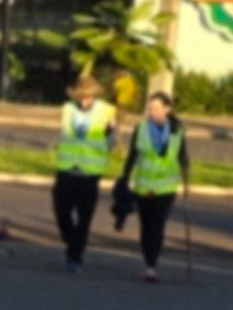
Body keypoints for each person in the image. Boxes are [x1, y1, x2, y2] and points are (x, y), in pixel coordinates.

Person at [115, 78, 190, 281]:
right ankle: (148, 259)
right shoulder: (141, 129)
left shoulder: (178, 131)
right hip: (144, 187)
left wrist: (186, 176)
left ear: (167, 109)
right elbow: (132, 155)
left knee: (157, 227)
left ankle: (151, 266)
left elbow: (183, 156)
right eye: (150, 109)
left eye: (157, 108)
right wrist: (124, 177)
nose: (153, 112)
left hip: (165, 189)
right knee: (145, 227)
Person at [51, 67, 116, 270]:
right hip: (67, 168)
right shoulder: (68, 109)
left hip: (89, 172)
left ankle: (75, 256)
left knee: (84, 217)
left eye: (88, 97)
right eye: (81, 97)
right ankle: (73, 243)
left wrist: (108, 140)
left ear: (94, 96)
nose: (84, 101)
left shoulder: (106, 111)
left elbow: (112, 140)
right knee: (62, 211)